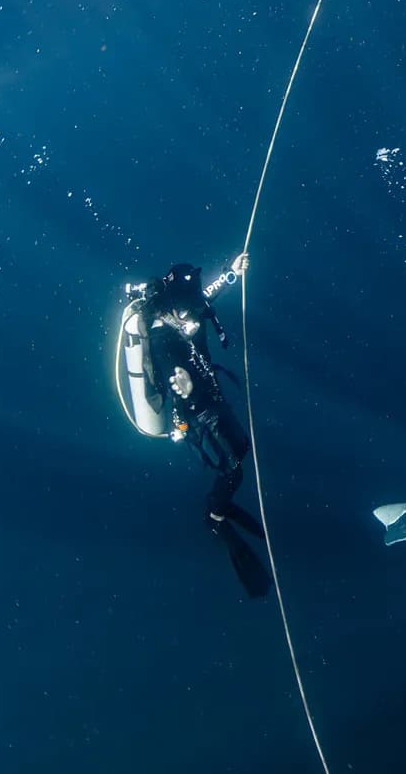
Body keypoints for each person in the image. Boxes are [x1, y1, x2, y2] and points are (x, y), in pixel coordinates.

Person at [134, 254, 271, 598]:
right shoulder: (163, 336)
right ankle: (215, 517)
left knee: (242, 448)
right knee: (233, 470)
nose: (195, 318)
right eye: (189, 312)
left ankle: (221, 505)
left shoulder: (189, 307)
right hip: (196, 415)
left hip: (212, 400)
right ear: (173, 308)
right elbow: (170, 370)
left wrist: (230, 272)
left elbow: (208, 295)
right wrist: (180, 381)